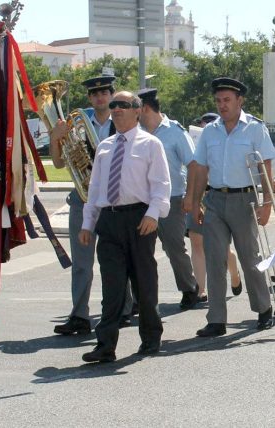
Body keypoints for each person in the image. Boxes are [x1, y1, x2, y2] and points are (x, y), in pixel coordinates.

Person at [79, 91, 171, 362]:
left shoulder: (150, 144)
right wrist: (88, 223)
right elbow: (94, 189)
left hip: (139, 219)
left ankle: (151, 337)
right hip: (109, 220)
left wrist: (153, 214)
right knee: (112, 286)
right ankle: (105, 345)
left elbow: (161, 185)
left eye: (123, 105)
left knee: (144, 283)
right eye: (114, 105)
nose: (117, 109)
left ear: (138, 110)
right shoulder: (105, 147)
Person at [189, 77, 275, 337]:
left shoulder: (255, 129)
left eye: (227, 100)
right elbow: (201, 168)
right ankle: (216, 319)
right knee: (215, 259)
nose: (222, 105)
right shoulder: (210, 131)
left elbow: (265, 167)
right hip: (215, 199)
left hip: (244, 199)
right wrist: (195, 202)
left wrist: (267, 204)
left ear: (240, 100)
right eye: (218, 101)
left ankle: (263, 308)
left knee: (250, 259)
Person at [49, 75, 131, 335]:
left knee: (116, 260)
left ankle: (122, 309)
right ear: (89, 98)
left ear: (112, 94)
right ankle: (79, 315)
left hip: (113, 200)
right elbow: (61, 163)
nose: (100, 97)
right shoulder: (77, 125)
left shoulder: (122, 122)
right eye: (95, 94)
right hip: (82, 200)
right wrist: (56, 137)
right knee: (82, 262)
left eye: (105, 93)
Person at [135, 88, 201, 310]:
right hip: (141, 201)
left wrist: (190, 196)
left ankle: (189, 288)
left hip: (171, 199)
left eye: (134, 108)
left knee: (174, 247)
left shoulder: (175, 132)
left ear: (144, 108)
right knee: (140, 252)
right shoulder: (135, 132)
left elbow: (193, 164)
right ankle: (140, 298)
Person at [185, 114, 244, 302]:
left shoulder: (224, 143)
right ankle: (201, 289)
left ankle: (234, 274)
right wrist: (190, 198)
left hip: (217, 194)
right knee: (196, 241)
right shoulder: (196, 144)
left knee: (222, 248)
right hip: (198, 194)